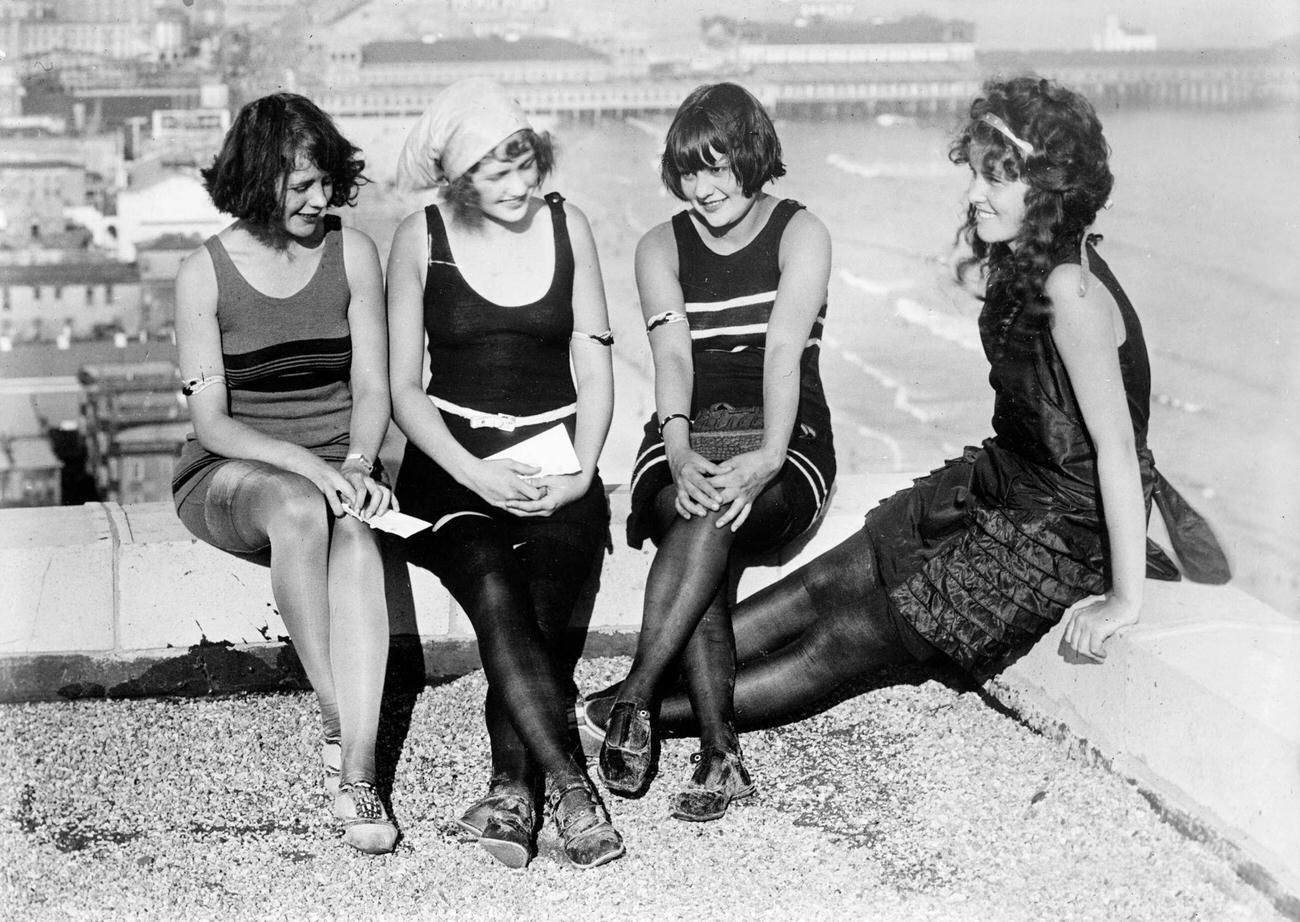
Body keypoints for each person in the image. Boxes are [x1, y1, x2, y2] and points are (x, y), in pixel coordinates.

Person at [583, 77, 1228, 754]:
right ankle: (635, 695)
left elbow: (1119, 450)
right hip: (1000, 485)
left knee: (843, 640)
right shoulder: (1027, 265)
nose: (975, 193)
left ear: (1052, 187)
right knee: (825, 583)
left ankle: (643, 711)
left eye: (998, 179)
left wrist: (1124, 597)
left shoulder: (1071, 288)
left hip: (1054, 533)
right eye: (978, 174)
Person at [387, 79, 622, 870]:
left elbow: (592, 356)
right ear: (457, 181)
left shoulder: (569, 224)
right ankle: (572, 786)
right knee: (493, 583)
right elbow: (402, 390)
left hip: (555, 463)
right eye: (494, 174)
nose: (519, 186)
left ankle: (510, 791)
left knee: (550, 598)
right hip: (450, 471)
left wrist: (584, 472)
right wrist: (476, 477)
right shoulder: (419, 237)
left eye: (524, 163)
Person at [595, 83, 836, 823]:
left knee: (709, 523)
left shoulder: (800, 232)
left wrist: (765, 456)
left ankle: (635, 696)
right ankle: (718, 754)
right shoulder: (659, 246)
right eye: (689, 171)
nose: (704, 188)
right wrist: (675, 447)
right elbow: (672, 358)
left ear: (753, 156)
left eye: (719, 166)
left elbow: (783, 353)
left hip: (784, 428)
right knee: (696, 516)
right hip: (685, 429)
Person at [172, 93, 398, 854]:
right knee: (302, 509)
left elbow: (372, 390)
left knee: (358, 538)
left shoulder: (352, 253)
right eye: (300, 184)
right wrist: (312, 465)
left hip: (342, 459)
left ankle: (358, 771)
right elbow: (213, 423)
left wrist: (360, 463)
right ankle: (337, 711)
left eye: (327, 180)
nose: (320, 198)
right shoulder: (202, 273)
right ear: (255, 178)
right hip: (234, 473)